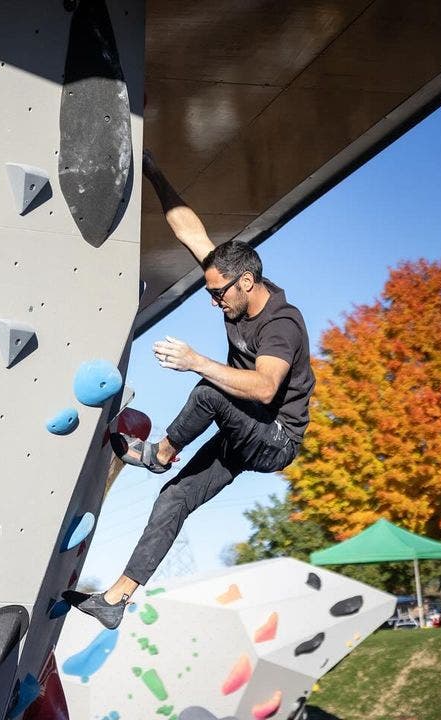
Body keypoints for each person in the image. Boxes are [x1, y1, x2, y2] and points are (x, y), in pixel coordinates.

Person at [64, 150, 316, 629]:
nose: (215, 302)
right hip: (244, 431)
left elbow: (265, 389)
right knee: (174, 499)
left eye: (220, 294)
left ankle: (156, 454)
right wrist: (157, 173)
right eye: (209, 293)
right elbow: (191, 231)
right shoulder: (230, 277)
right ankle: (115, 601)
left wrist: (197, 360)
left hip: (276, 437)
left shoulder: (281, 324)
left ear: (248, 282)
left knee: (207, 390)